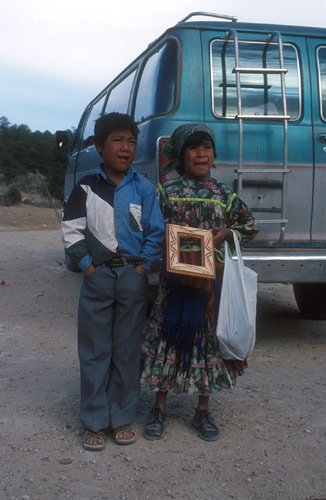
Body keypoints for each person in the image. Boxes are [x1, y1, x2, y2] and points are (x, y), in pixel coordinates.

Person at [141, 123, 258, 442]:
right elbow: (151, 228)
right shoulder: (165, 191)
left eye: (207, 147)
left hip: (210, 288)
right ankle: (159, 409)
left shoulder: (223, 194)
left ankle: (202, 411)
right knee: (169, 340)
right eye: (193, 147)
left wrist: (227, 233)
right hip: (174, 285)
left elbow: (249, 226)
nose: (201, 153)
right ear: (181, 154)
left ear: (214, 153)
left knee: (206, 346)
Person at [61, 112, 165, 450]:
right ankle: (94, 420)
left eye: (131, 142)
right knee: (94, 350)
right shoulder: (86, 187)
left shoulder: (144, 188)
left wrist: (141, 269)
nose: (125, 148)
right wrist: (88, 266)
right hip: (98, 276)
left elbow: (156, 233)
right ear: (101, 146)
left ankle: (120, 417)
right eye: (117, 141)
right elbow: (72, 229)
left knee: (126, 349)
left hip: (133, 276)